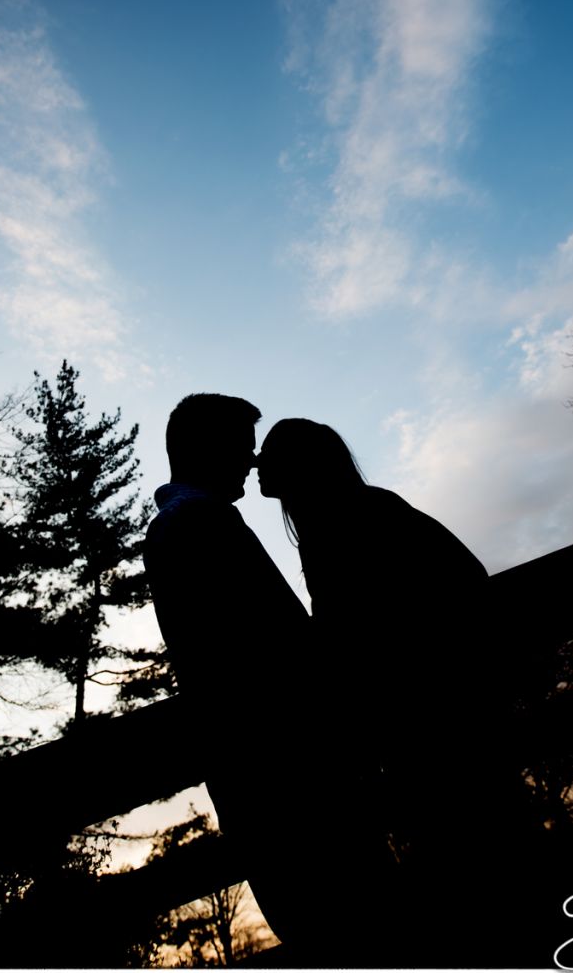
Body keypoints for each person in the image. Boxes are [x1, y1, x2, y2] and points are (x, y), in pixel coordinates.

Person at [256, 418, 528, 964]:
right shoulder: (341, 517)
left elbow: (449, 586)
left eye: (270, 454)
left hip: (435, 723)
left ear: (300, 466)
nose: (258, 463)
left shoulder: (352, 517)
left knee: (483, 865)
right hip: (429, 722)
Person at [143, 395, 392, 963]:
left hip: (267, 776)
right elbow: (269, 652)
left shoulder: (188, 524)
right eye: (239, 445)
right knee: (354, 927)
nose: (251, 460)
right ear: (205, 448)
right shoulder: (197, 525)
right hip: (290, 775)